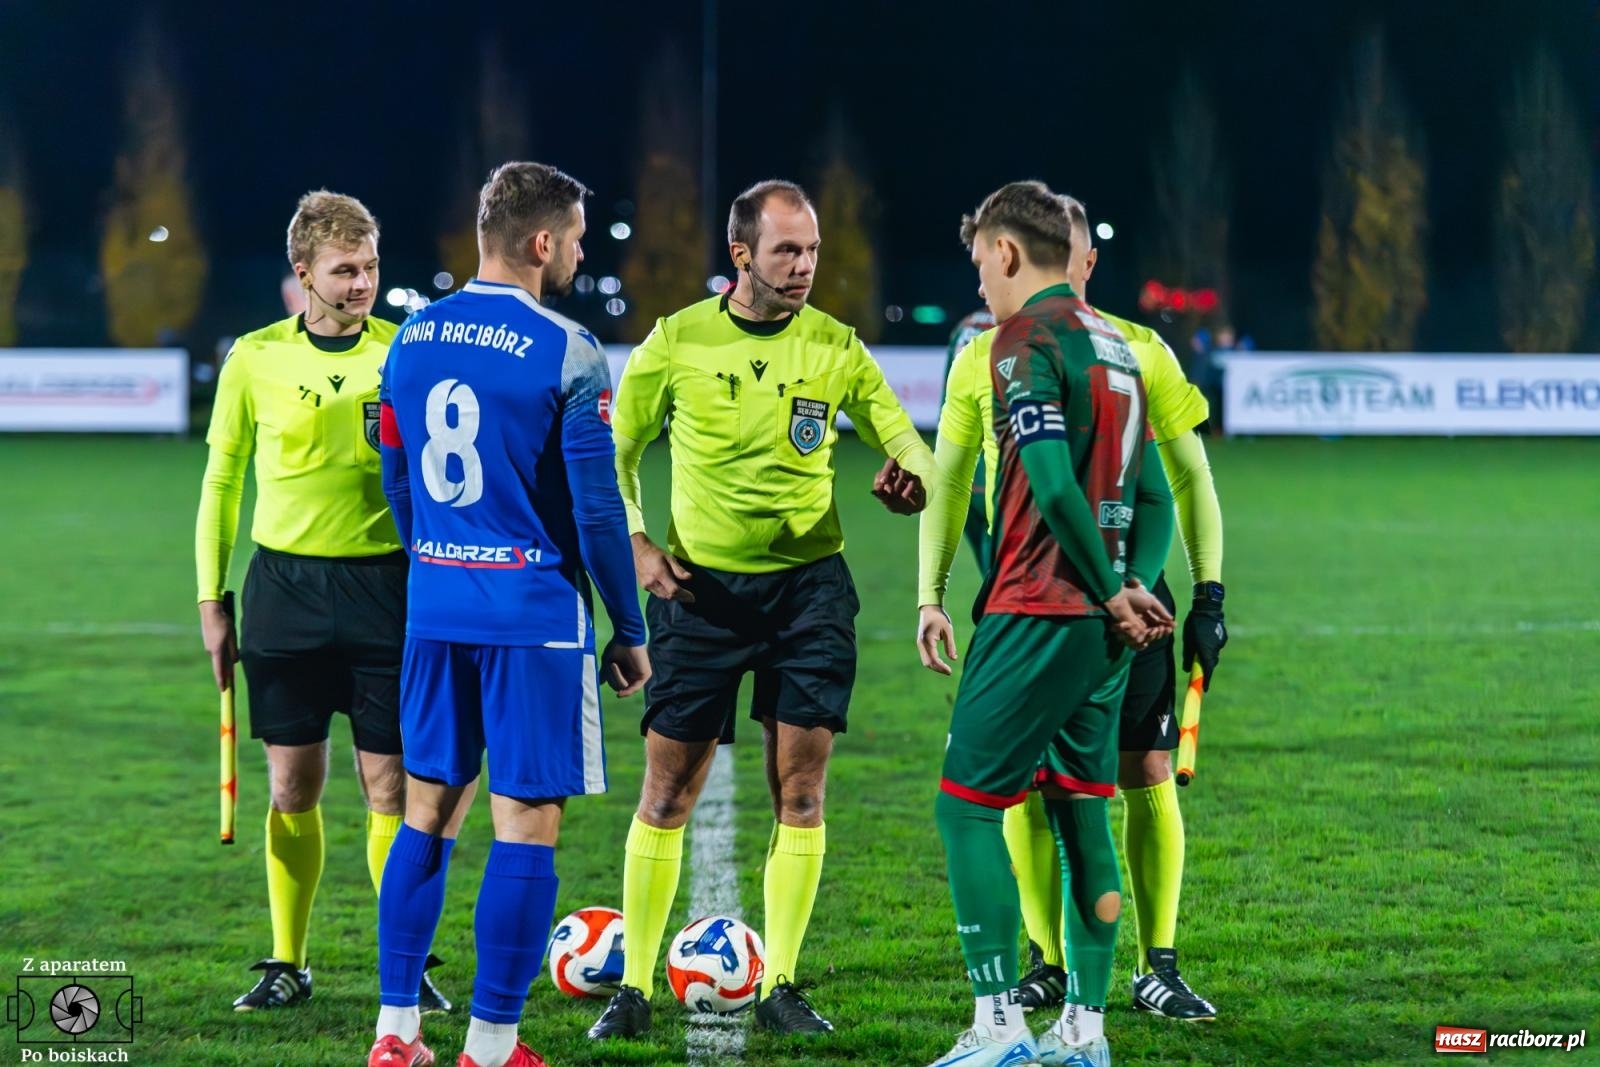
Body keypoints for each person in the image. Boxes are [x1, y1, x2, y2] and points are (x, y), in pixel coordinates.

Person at [585, 178, 935, 1041]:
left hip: (809, 592)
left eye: (812, 249)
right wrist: (635, 542)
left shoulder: (836, 345)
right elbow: (612, 454)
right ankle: (631, 989)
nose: (805, 264)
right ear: (740, 254)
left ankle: (779, 982)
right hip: (697, 592)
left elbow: (906, 440)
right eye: (787, 250)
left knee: (803, 790)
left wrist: (911, 478)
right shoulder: (678, 341)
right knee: (667, 789)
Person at [364, 162, 650, 1067]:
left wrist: (435, 562)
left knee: (426, 812)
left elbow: (399, 475)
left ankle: (395, 1032)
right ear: (539, 242)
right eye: (572, 238)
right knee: (526, 823)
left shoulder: (408, 338)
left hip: (436, 603)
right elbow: (599, 509)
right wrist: (630, 627)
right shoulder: (566, 348)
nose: (575, 252)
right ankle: (490, 1045)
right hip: (531, 615)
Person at [915, 202, 1229, 1024]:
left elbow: (1056, 487)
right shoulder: (1121, 350)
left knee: (972, 802)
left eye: (983, 260)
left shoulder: (1022, 343)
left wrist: (1117, 586)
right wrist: (1129, 588)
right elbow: (1158, 488)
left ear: (1014, 253)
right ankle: (1079, 1019)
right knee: (1078, 805)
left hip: (1045, 603)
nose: (979, 280)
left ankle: (999, 1023)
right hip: (1110, 618)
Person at [196, 190, 451, 1014]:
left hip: (387, 588)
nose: (362, 283)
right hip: (284, 592)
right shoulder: (255, 359)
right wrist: (211, 596)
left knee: (393, 790)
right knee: (291, 787)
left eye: (372, 267)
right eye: (345, 270)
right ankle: (287, 960)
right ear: (302, 273)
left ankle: (404, 967)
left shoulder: (406, 350)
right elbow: (222, 483)